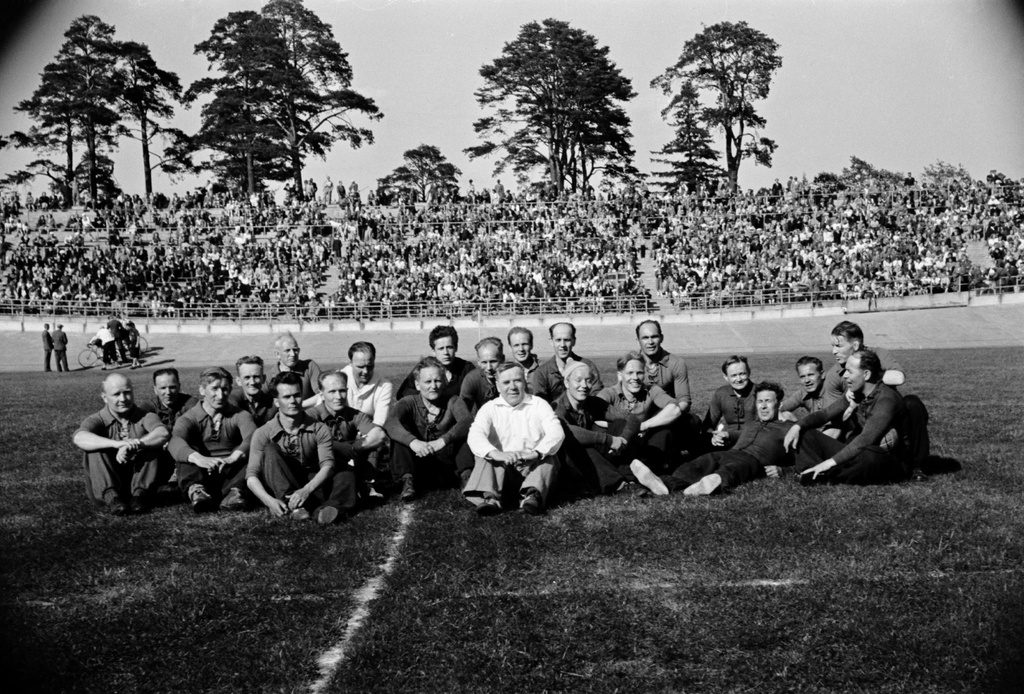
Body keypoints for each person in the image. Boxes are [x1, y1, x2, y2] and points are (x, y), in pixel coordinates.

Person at [784, 350, 930, 486]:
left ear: (866, 375)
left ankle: (827, 476)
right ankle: (807, 471)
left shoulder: (886, 399)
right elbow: (825, 414)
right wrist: (797, 426)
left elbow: (866, 439)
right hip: (859, 451)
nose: (845, 375)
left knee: (869, 458)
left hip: (889, 459)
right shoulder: (856, 393)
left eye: (850, 371)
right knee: (806, 432)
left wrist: (828, 463)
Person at [822, 321, 930, 480]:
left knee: (912, 403)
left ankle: (917, 466)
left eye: (838, 346)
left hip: (892, 418)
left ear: (856, 345)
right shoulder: (834, 375)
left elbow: (899, 377)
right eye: (833, 346)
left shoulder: (878, 353)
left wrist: (866, 376)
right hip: (863, 426)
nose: (833, 351)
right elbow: (833, 416)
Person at [651, 381, 794, 496]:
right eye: (760, 401)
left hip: (753, 459)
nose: (763, 406)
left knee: (733, 469)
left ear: (779, 404)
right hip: (729, 452)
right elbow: (741, 434)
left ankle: (714, 483)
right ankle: (663, 484)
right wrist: (728, 434)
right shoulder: (753, 423)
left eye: (768, 401)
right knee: (698, 464)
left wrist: (784, 471)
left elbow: (810, 458)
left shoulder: (789, 428)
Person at [464, 362, 565, 516]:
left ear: (525, 382)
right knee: (484, 455)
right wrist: (496, 454)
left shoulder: (539, 404)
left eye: (517, 380)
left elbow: (556, 432)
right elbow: (475, 435)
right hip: (501, 473)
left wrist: (536, 453)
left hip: (533, 469)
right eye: (506, 382)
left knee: (549, 456)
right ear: (497, 386)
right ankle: (491, 499)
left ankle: (531, 497)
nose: (512, 387)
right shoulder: (489, 408)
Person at [246, 372, 340, 524]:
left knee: (344, 476)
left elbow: (328, 465)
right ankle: (295, 507)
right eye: (286, 397)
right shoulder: (262, 432)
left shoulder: (320, 428)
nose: (293, 401)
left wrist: (306, 490)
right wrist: (268, 500)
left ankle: (313, 509)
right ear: (276, 401)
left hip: (311, 484)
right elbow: (251, 476)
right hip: (279, 482)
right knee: (270, 449)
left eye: (296, 395)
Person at [73, 373, 171, 515]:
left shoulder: (146, 416)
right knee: (94, 449)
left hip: (139, 481)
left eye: (127, 393)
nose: (123, 399)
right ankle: (112, 498)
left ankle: (140, 496)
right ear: (105, 398)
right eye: (116, 394)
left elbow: (163, 433)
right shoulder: (97, 418)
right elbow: (79, 437)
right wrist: (117, 444)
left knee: (151, 446)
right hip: (108, 481)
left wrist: (136, 444)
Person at [169, 367, 257, 513]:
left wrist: (232, 458)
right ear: (202, 390)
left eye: (225, 389)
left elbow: (252, 436)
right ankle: (198, 493)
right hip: (201, 473)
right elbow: (175, 441)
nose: (220, 395)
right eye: (214, 389)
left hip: (230, 472)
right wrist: (199, 459)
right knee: (187, 451)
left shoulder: (240, 415)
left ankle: (235, 494)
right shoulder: (189, 417)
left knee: (248, 452)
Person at [385, 357, 474, 501]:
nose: (434, 386)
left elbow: (467, 421)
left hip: (448, 468)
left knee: (463, 432)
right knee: (401, 432)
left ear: (444, 382)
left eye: (438, 380)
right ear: (417, 384)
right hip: (419, 466)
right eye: (428, 381)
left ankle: (467, 478)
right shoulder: (408, 402)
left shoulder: (453, 400)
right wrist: (413, 442)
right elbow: (390, 422)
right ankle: (407, 482)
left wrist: (443, 441)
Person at [553, 361, 640, 497]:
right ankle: (620, 484)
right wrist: (607, 439)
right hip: (568, 465)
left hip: (594, 460)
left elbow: (631, 418)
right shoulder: (557, 407)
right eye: (578, 380)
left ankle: (630, 478)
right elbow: (567, 432)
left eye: (588, 381)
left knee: (620, 424)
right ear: (566, 383)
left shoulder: (592, 402)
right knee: (580, 447)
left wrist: (623, 439)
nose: (584, 386)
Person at [307, 370, 388, 515]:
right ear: (321, 393)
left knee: (372, 444)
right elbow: (312, 444)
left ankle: (368, 486)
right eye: (332, 392)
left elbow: (379, 435)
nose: (338, 397)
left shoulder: (354, 414)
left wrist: (355, 447)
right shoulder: (311, 416)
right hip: (321, 469)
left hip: (346, 467)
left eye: (342, 391)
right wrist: (343, 448)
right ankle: (335, 503)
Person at [596, 351, 683, 478]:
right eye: (630, 373)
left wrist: (643, 425)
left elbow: (675, 409)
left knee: (664, 432)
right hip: (619, 443)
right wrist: (629, 428)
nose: (635, 378)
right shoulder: (609, 393)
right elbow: (594, 415)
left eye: (639, 373)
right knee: (619, 424)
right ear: (620, 375)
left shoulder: (651, 390)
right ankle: (630, 473)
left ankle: (649, 470)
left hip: (642, 441)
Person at [340, 341, 394, 498]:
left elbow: (379, 422)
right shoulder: (340, 378)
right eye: (360, 367)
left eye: (369, 366)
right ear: (350, 363)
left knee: (375, 436)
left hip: (367, 430)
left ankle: (368, 485)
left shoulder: (384, 385)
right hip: (343, 429)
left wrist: (364, 437)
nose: (365, 371)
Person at [140, 368, 199, 485]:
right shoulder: (147, 407)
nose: (168, 392)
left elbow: (196, 427)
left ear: (179, 386)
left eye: (172, 387)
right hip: (159, 452)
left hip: (184, 447)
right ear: (155, 390)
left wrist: (172, 441)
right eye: (163, 388)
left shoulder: (191, 403)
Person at [396, 325, 476, 402]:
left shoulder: (467, 369)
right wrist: (427, 397)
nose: (446, 352)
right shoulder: (425, 367)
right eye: (441, 348)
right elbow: (402, 393)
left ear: (456, 348)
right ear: (433, 351)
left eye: (449, 347)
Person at [530, 322, 605, 403]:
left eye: (567, 340)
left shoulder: (587, 365)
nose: (562, 345)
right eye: (558, 340)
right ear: (551, 342)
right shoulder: (542, 372)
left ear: (574, 341)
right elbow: (541, 403)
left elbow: (597, 394)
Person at [702, 355, 757, 450]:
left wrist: (729, 435)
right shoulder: (721, 394)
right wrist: (714, 436)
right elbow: (708, 425)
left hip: (753, 441)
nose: (739, 379)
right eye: (734, 375)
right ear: (726, 377)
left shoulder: (760, 393)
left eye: (742, 374)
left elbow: (761, 428)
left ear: (749, 372)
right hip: (726, 440)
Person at [271, 332, 322, 408]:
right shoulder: (270, 375)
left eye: (295, 350)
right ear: (277, 354)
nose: (293, 354)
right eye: (287, 350)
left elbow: (322, 394)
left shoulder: (310, 366)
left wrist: (298, 406)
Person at [228, 355, 277, 426]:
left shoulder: (273, 404)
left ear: (263, 378)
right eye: (247, 377)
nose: (252, 382)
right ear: (238, 381)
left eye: (256, 377)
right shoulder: (232, 402)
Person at [460, 337, 503, 413]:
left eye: (493, 361)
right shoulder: (472, 379)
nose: (489, 368)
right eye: (484, 362)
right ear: (478, 362)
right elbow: (463, 411)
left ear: (502, 359)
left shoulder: (511, 377)